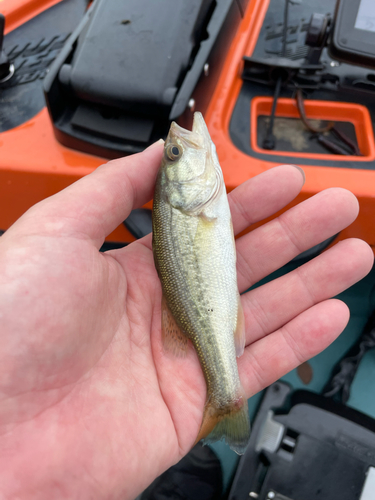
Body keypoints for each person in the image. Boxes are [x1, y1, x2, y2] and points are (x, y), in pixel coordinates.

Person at [0, 140, 373, 499]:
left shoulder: (193, 202)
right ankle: (224, 400)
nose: (178, 147)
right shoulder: (192, 202)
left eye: (173, 153)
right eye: (176, 154)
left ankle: (222, 408)